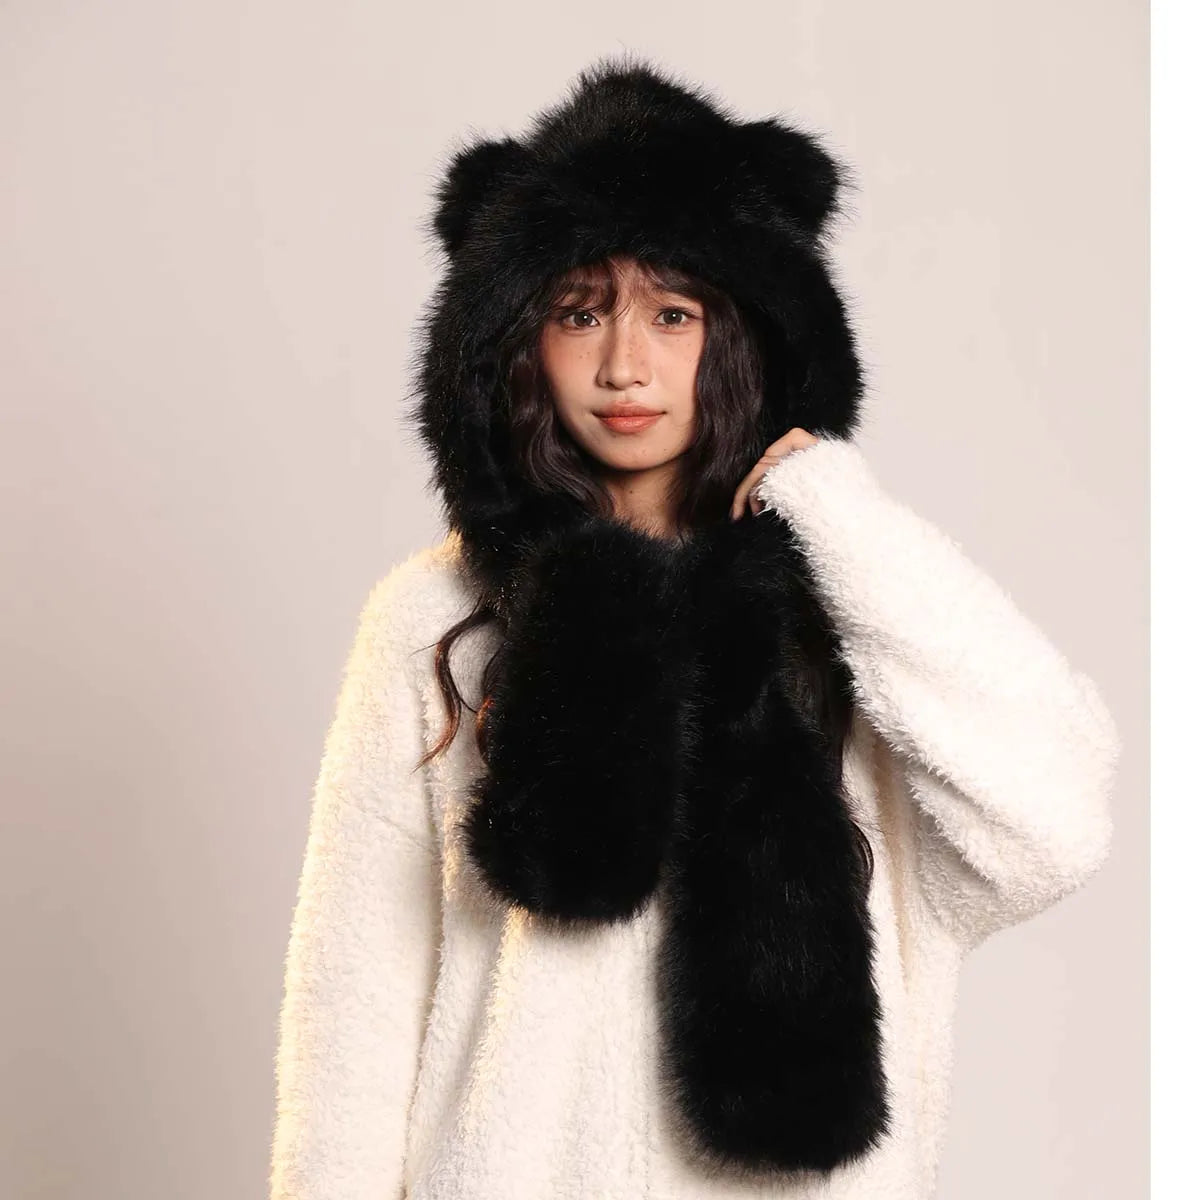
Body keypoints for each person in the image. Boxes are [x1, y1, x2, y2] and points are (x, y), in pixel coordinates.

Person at [268, 56, 1120, 1200]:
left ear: (752, 332)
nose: (625, 365)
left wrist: (836, 513)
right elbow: (355, 1001)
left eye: (675, 314)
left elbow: (1053, 827)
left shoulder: (853, 616)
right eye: (581, 313)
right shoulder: (437, 618)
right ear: (517, 341)